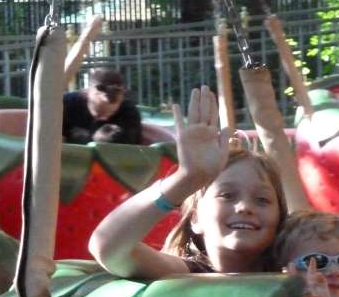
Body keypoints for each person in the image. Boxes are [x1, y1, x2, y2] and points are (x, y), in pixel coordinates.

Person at [89, 86, 288, 279]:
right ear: (195, 218)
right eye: (227, 195)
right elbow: (108, 248)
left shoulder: (292, 269)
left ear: (280, 218)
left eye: (262, 200)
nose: (244, 207)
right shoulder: (188, 273)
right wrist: (186, 178)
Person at [62, 69, 142, 144]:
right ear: (86, 94)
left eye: (111, 112)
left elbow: (131, 148)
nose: (104, 119)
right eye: (98, 113)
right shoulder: (66, 104)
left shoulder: (128, 112)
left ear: (121, 99)